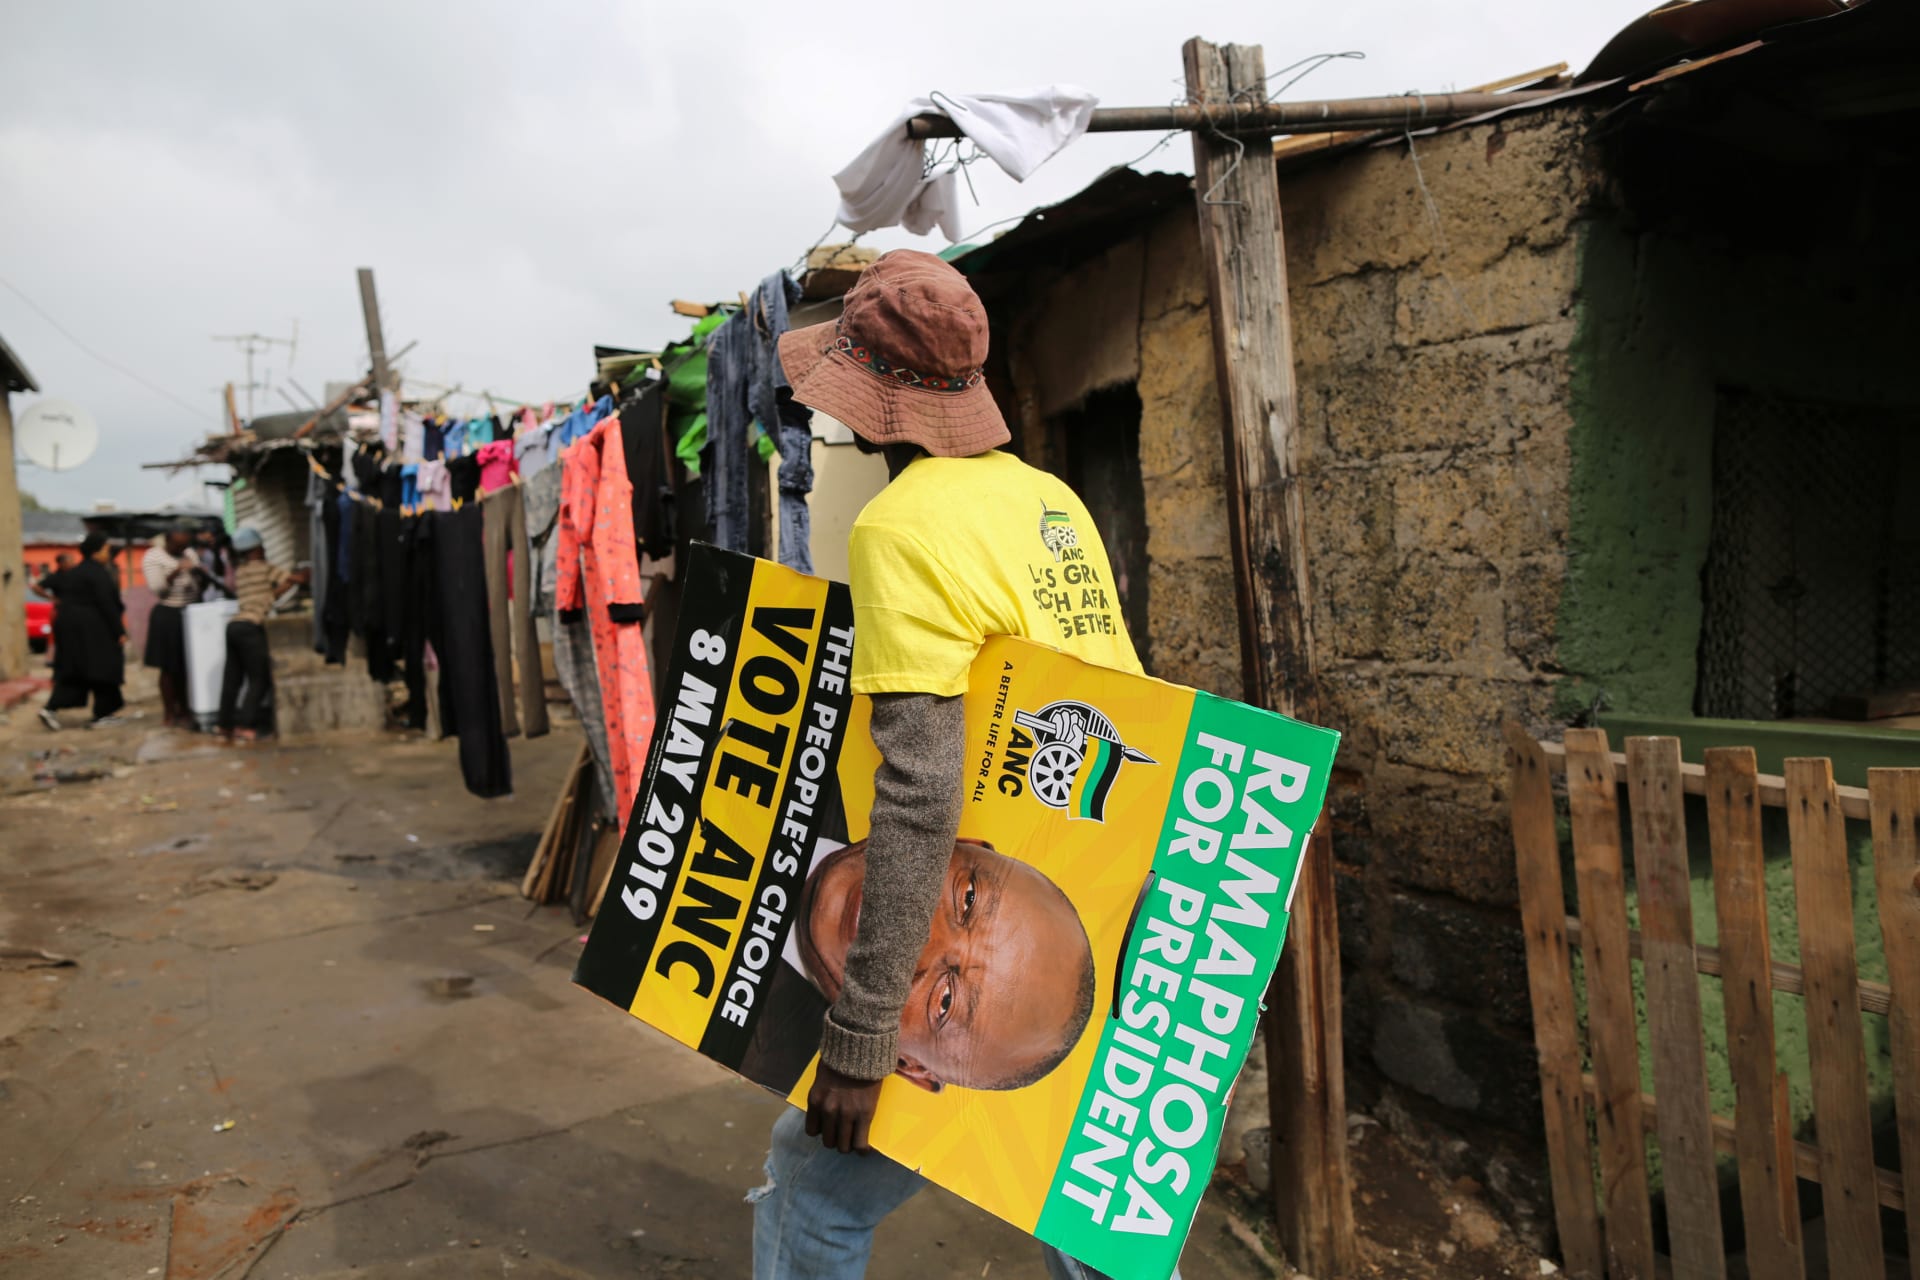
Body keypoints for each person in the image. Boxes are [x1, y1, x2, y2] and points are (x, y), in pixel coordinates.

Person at [752, 250, 1151, 1280]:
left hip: (1009, 935)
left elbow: (922, 795)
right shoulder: (1049, 501)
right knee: (1091, 1219)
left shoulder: (898, 529)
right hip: (1110, 913)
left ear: (869, 401)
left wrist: (863, 1031)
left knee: (813, 1187)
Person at [738, 837, 1096, 1096]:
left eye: (944, 1002)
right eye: (968, 898)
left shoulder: (748, 1049)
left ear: (902, 1063)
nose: (920, 934)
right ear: (962, 841)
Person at [218, 526, 306, 743]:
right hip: (251, 626)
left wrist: (272, 594)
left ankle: (224, 725)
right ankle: (246, 726)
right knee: (259, 679)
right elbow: (295, 580)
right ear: (257, 548)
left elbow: (263, 595)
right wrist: (304, 575)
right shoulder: (265, 568)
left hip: (234, 626)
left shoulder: (241, 571)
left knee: (233, 679)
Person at [34, 532, 127, 730]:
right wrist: (119, 630)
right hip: (92, 628)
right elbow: (107, 603)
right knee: (103, 666)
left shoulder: (77, 572)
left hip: (71, 628)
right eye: (105, 550)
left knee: (78, 669)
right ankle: (102, 713)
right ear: (96, 552)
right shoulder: (96, 573)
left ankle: (53, 708)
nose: (108, 554)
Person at [141, 520, 202, 728]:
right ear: (168, 541)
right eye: (177, 545)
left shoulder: (190, 554)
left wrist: (196, 573)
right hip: (168, 614)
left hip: (190, 612)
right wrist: (177, 570)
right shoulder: (153, 557)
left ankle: (185, 709)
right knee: (168, 668)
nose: (181, 549)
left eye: (184, 545)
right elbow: (159, 589)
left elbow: (199, 585)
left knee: (186, 666)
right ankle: (169, 712)